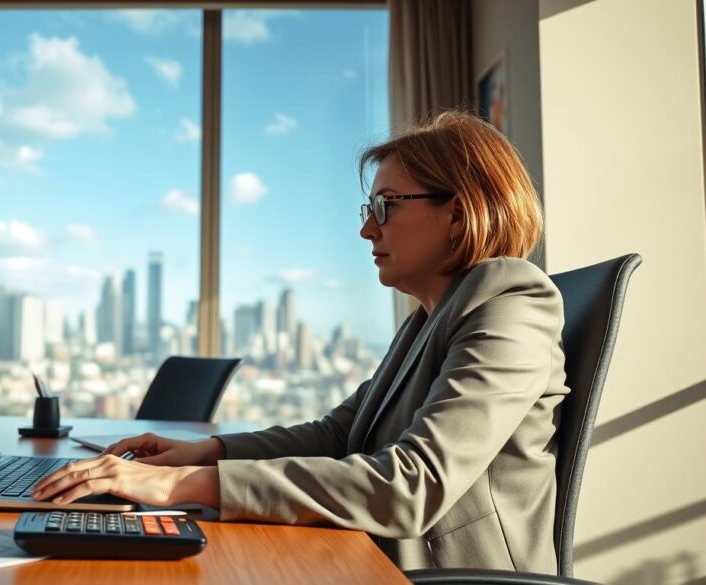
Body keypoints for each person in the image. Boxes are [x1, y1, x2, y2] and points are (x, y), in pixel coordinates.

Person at [33, 111, 568, 573]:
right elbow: (339, 434)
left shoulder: (512, 302)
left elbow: (411, 485)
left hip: (445, 576)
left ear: (456, 212)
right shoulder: (426, 322)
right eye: (368, 211)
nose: (367, 231)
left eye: (385, 207)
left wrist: (180, 486)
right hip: (374, 557)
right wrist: (204, 454)